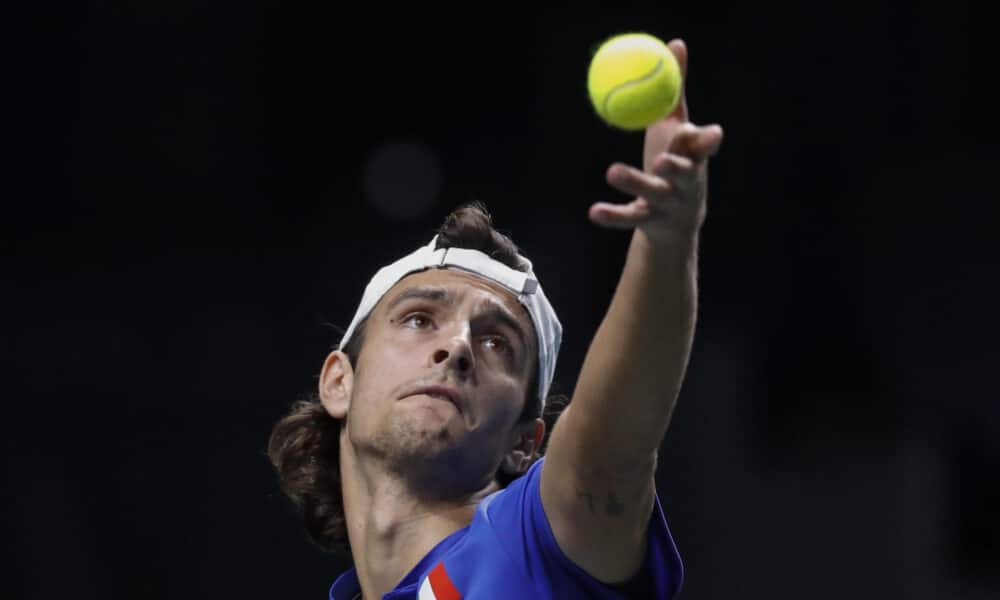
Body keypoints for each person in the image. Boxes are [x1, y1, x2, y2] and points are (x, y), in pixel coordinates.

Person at [269, 38, 723, 599]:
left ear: (525, 443)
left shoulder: (533, 546)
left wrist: (666, 240)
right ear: (339, 380)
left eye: (496, 344)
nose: (456, 346)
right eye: (417, 319)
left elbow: (610, 456)